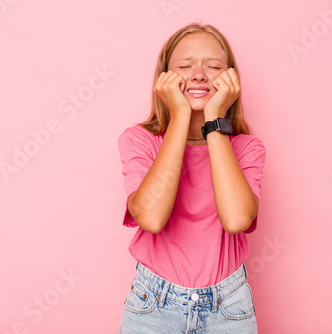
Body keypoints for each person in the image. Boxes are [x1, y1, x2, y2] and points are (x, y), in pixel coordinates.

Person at [118, 23, 266, 333]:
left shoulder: (246, 148)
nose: (199, 74)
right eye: (185, 66)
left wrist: (214, 120)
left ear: (231, 80)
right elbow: (152, 218)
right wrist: (181, 114)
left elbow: (237, 219)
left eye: (213, 67)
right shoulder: (139, 140)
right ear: (163, 80)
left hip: (229, 308)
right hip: (152, 306)